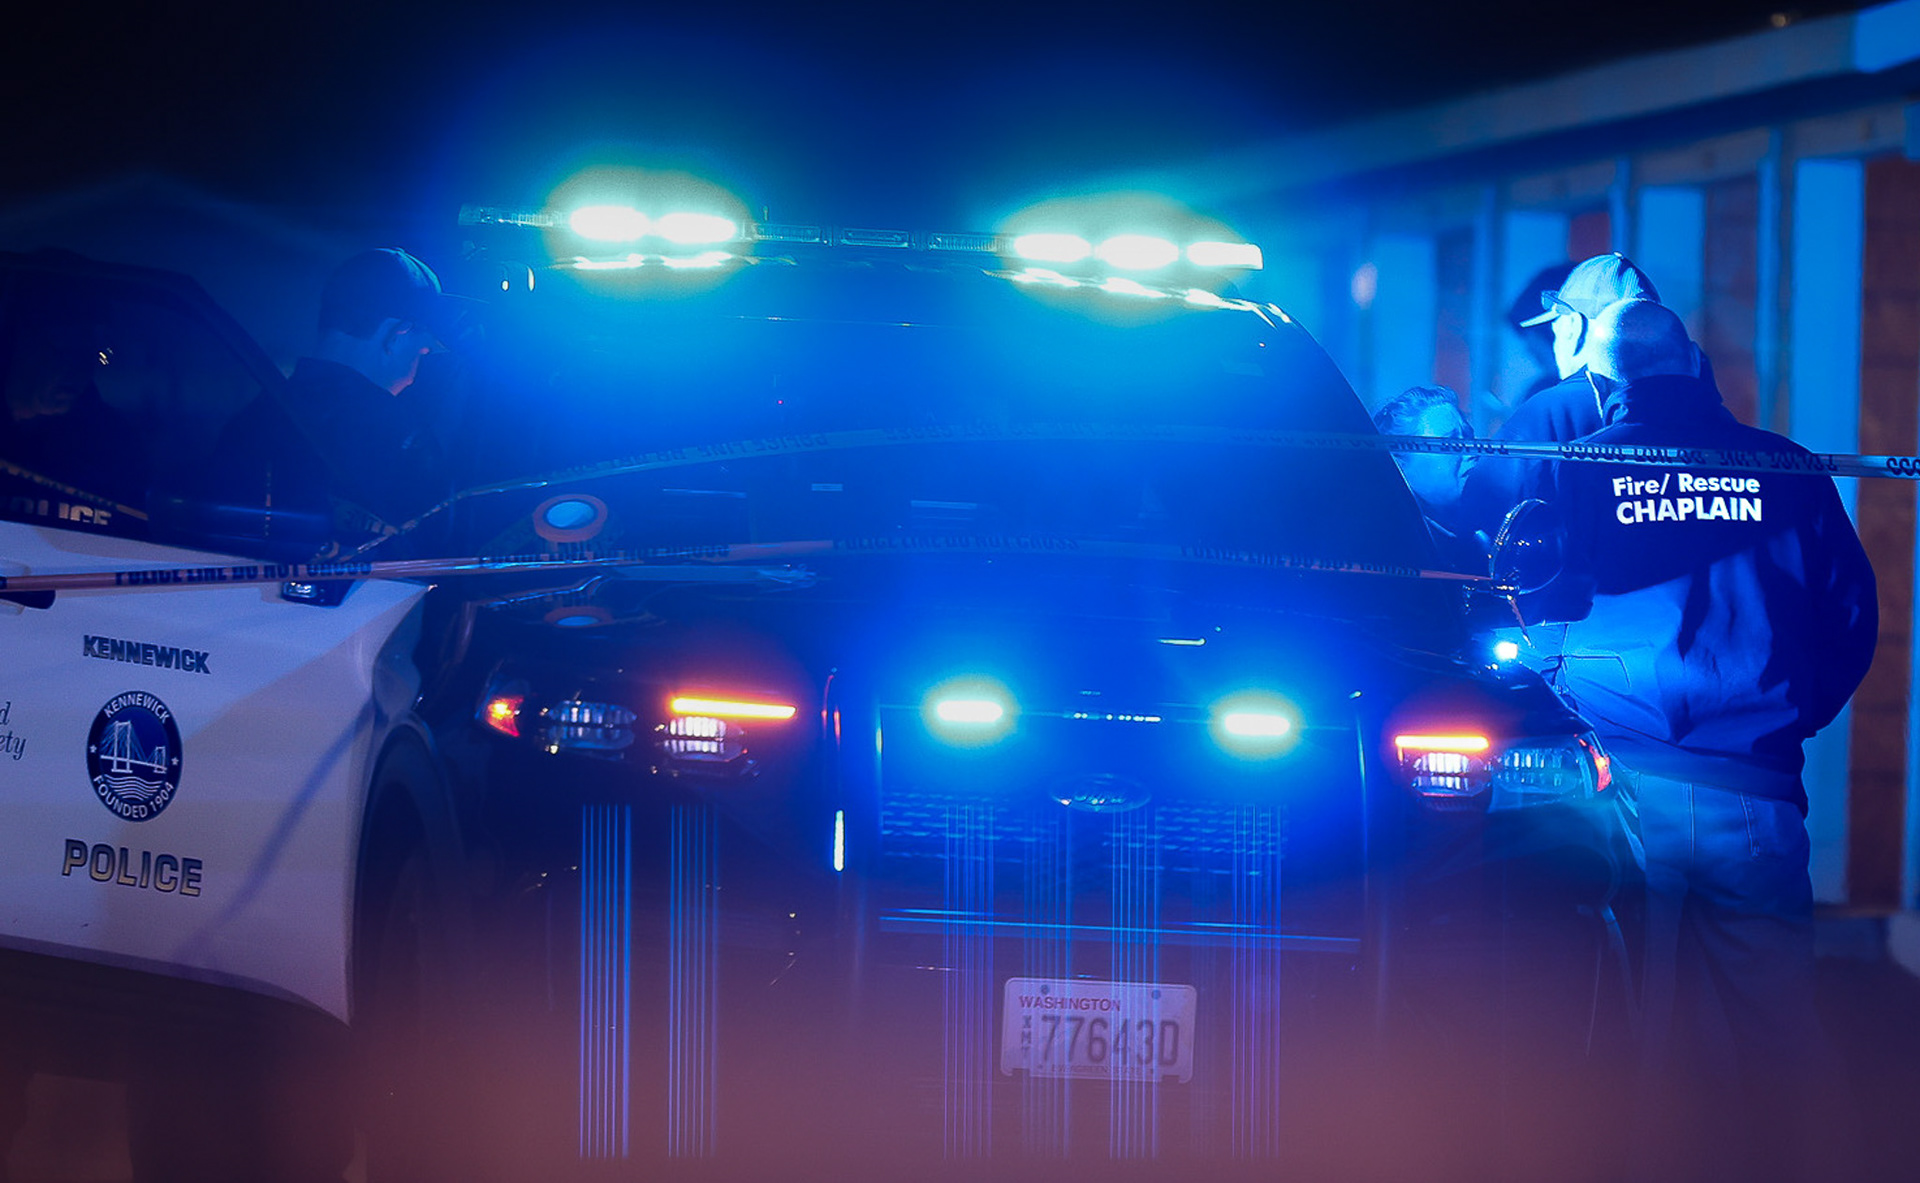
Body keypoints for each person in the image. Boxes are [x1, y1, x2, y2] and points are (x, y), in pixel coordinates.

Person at [1518, 299, 1877, 1183]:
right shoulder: (1787, 468)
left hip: (1614, 789)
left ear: (1603, 379)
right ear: (1693, 363)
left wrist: (1575, 708)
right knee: (1776, 1025)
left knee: (1622, 1026)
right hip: (1752, 789)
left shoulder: (1578, 467)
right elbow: (1852, 617)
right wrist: (1783, 718)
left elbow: (1532, 608)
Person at [175, 247, 473, 559]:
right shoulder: (400, 438)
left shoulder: (254, 419)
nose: (416, 371)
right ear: (398, 332)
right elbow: (434, 557)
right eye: (423, 350)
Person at [1462, 253, 1678, 537]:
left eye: (1556, 326)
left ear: (1574, 327)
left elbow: (1481, 507)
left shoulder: (1548, 409)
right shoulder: (1692, 406)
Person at [1370, 384, 1485, 572]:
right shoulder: (1381, 555)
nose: (1472, 451)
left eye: (1470, 438)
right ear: (1399, 464)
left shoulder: (1485, 540)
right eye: (1451, 443)